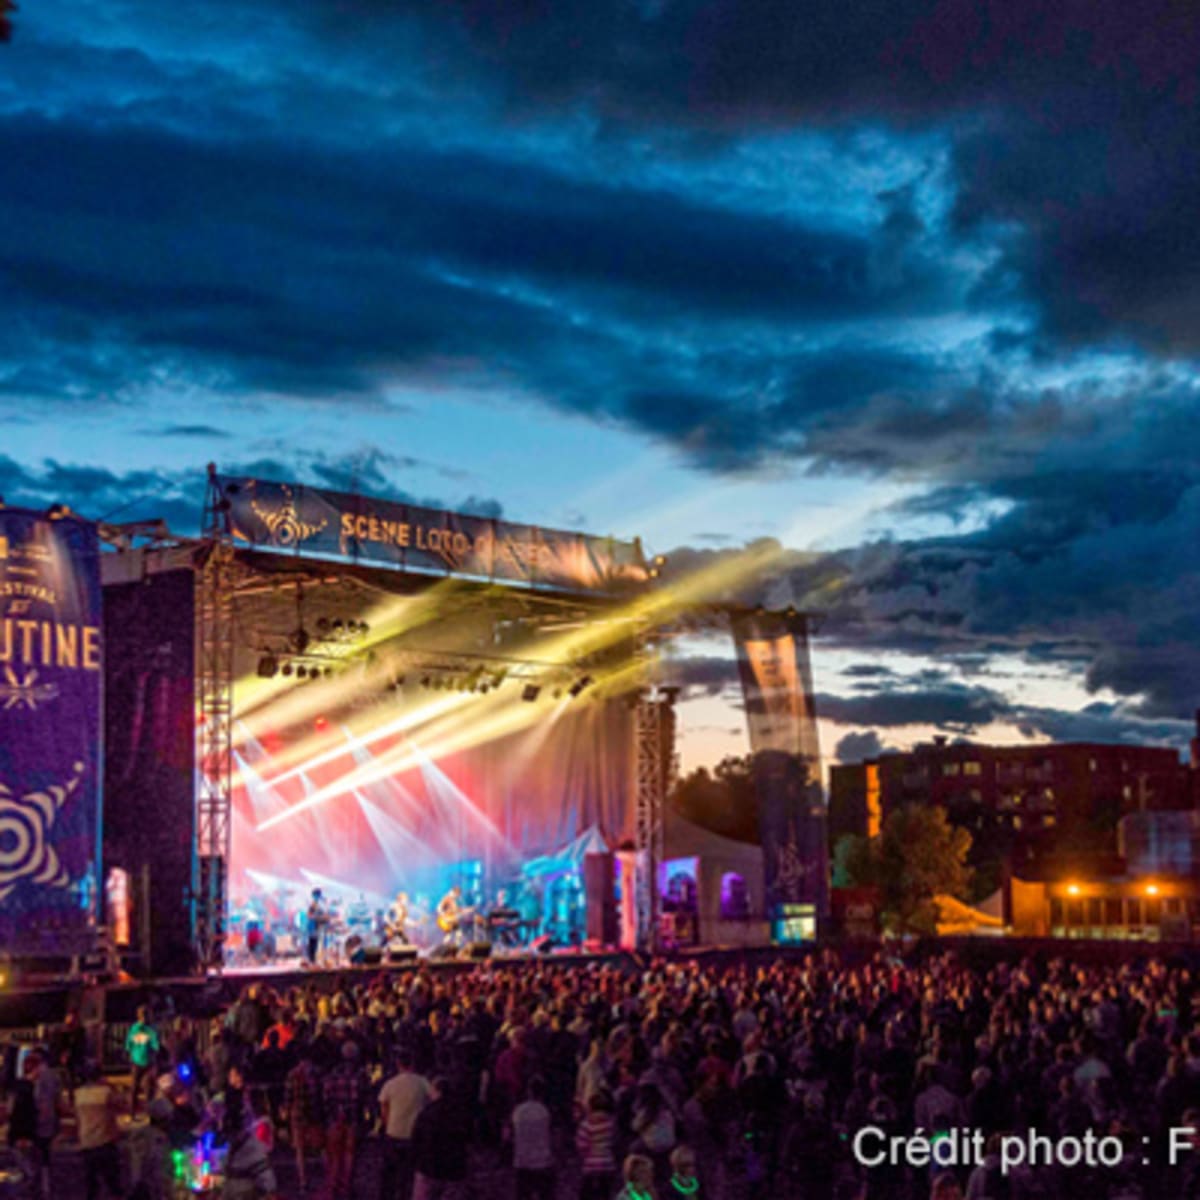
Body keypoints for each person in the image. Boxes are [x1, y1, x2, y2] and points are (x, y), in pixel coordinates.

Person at [379, 1047, 432, 1200]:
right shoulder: (422, 1082)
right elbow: (434, 1098)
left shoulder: (391, 1084)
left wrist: (387, 1124)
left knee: (390, 1174)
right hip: (413, 1133)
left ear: (398, 1064)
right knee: (408, 1175)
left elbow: (384, 1108)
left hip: (394, 1132)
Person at [322, 1039, 368, 1200]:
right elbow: (363, 1098)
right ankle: (346, 1189)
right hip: (353, 1120)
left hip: (335, 1119)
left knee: (334, 1157)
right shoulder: (360, 1075)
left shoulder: (333, 1074)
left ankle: (334, 1188)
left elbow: (326, 1097)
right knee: (350, 1157)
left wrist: (334, 1112)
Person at [411, 1075, 468, 1200]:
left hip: (429, 1168)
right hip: (454, 1169)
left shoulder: (426, 1113)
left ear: (436, 1090)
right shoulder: (460, 1113)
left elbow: (416, 1138)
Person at [74, 1060, 124, 1200]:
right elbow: (122, 1104)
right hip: (105, 1140)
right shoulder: (105, 1092)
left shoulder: (78, 1094)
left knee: (91, 1185)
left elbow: (77, 1118)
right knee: (113, 1183)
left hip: (87, 1141)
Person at [284, 1046, 324, 1194]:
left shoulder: (292, 1074)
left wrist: (287, 1111)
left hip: (297, 1113)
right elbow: (320, 1093)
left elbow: (288, 1096)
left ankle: (303, 1181)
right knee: (319, 1146)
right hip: (314, 1113)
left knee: (300, 1149)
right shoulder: (317, 1072)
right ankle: (324, 1178)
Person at [510, 1075, 554, 1200]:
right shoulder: (545, 1111)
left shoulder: (518, 1111)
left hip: (522, 1160)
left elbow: (510, 1134)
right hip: (543, 1160)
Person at [222, 1108, 279, 1200]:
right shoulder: (231, 1148)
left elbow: (268, 1184)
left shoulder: (254, 1148)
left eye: (233, 1133)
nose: (230, 1137)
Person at [575, 1090, 617, 1200]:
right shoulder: (611, 1123)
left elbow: (582, 1145)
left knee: (585, 1193)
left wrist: (584, 1156)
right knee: (605, 1193)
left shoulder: (586, 1125)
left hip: (590, 1163)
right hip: (608, 1162)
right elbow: (614, 1141)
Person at [126, 1006, 161, 1117]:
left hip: (137, 1061)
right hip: (147, 1062)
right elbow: (156, 1047)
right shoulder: (151, 1029)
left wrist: (131, 1054)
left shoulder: (134, 1029)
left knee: (135, 1089)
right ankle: (149, 1114)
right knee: (147, 1090)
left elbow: (128, 1045)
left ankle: (132, 1113)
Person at [306, 889, 327, 966]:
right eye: (318, 895)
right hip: (312, 927)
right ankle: (311, 960)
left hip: (316, 927)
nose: (319, 897)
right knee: (312, 944)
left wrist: (322, 917)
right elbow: (309, 915)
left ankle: (313, 960)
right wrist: (318, 918)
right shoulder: (313, 904)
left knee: (314, 944)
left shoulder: (317, 905)